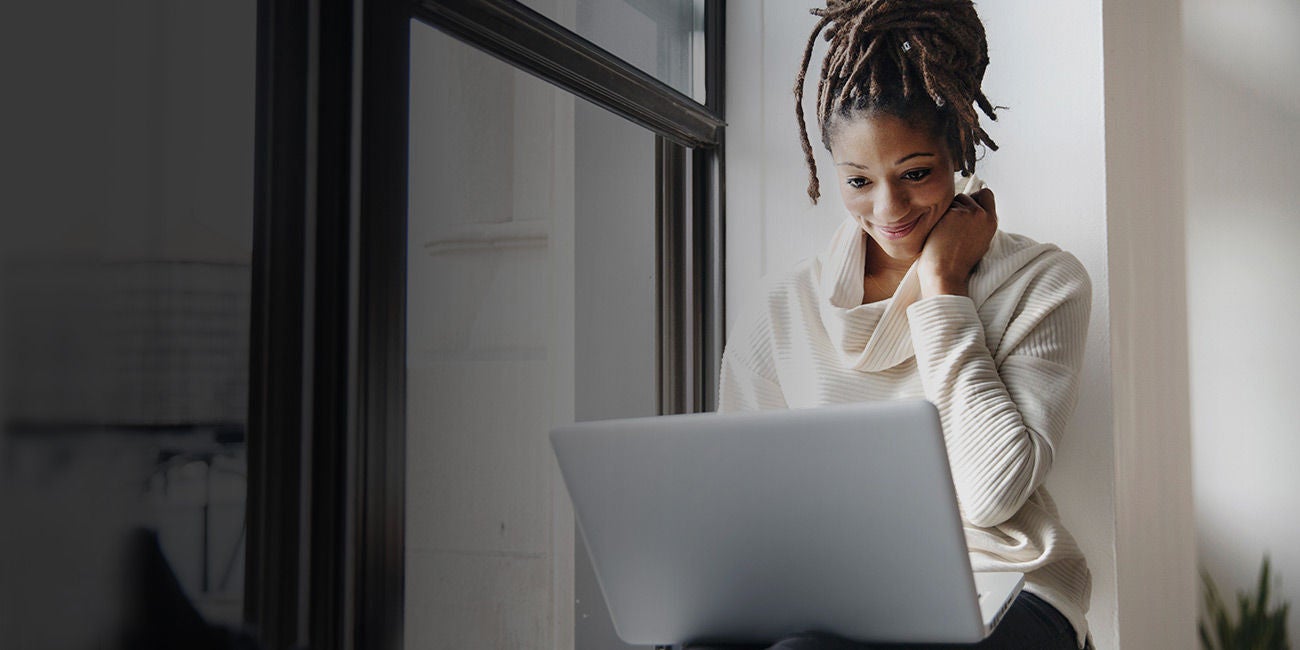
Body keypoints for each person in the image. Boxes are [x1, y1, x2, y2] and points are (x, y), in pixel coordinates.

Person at [711, 1, 1093, 649]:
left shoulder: (1042, 283)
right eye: (858, 180)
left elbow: (992, 492)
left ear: (959, 150)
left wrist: (943, 291)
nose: (888, 209)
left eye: (915, 174)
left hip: (1001, 581)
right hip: (831, 586)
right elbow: (738, 504)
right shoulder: (778, 309)